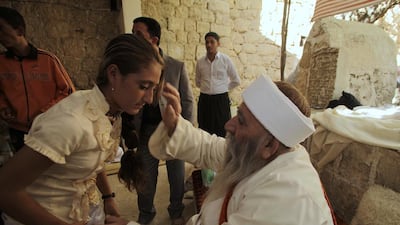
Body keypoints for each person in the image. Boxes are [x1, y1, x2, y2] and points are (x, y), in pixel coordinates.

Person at [104, 75, 336, 225]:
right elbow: (210, 148)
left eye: (242, 121)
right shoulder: (266, 153)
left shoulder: (287, 200)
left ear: (269, 145)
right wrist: (175, 124)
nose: (228, 125)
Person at [0, 33, 164, 225]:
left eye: (153, 88)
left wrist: (107, 196)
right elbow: (5, 189)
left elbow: (94, 157)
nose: (150, 99)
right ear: (113, 74)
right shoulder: (70, 122)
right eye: (144, 86)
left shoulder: (109, 113)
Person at [119, 16, 194, 225]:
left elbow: (187, 101)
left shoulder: (176, 67)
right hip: (146, 131)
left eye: (138, 34)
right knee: (146, 179)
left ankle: (176, 212)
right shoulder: (133, 67)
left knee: (176, 176)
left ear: (153, 39)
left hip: (172, 129)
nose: (134, 37)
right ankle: (145, 216)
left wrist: (185, 131)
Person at [0, 6, 76, 152]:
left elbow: (68, 92)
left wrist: (43, 113)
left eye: (1, 29)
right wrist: (2, 107)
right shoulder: (1, 63)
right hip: (18, 131)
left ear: (19, 30)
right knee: (27, 172)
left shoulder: (48, 59)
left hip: (49, 128)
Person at [195, 31, 240, 138]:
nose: (209, 45)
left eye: (212, 42)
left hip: (221, 100)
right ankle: (204, 153)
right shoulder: (200, 62)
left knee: (222, 129)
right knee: (204, 129)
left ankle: (221, 153)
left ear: (218, 43)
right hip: (204, 100)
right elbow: (197, 82)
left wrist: (223, 88)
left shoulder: (225, 60)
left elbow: (236, 80)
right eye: (207, 42)